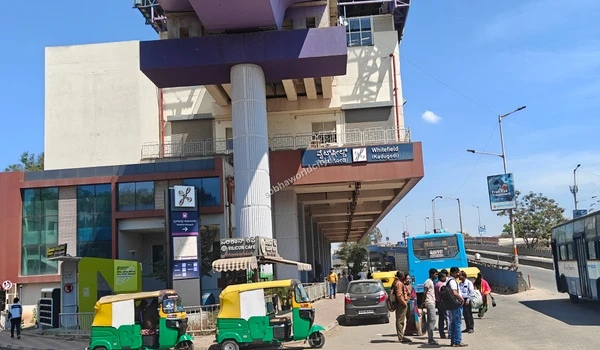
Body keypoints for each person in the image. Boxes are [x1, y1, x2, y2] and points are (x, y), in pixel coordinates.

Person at [447, 267, 467, 347]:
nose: (458, 274)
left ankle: (454, 341)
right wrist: (461, 299)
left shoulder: (448, 280)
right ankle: (458, 341)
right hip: (456, 304)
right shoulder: (452, 281)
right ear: (452, 273)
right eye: (456, 273)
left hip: (452, 304)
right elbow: (454, 292)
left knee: (453, 323)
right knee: (457, 323)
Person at [392, 271, 411, 344]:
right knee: (400, 321)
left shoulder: (397, 282)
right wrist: (404, 303)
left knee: (400, 320)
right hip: (401, 304)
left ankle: (401, 336)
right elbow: (399, 295)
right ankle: (401, 337)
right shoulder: (399, 283)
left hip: (400, 304)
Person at [421, 268, 439, 345]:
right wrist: (422, 302)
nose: (436, 275)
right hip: (429, 302)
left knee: (430, 321)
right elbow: (425, 292)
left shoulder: (431, 282)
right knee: (432, 320)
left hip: (431, 302)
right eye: (435, 274)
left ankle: (430, 338)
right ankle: (431, 339)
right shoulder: (428, 282)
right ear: (432, 274)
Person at [435, 270, 450, 339]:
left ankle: (442, 334)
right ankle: (450, 333)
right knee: (447, 318)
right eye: (444, 277)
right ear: (441, 277)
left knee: (441, 319)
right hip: (442, 303)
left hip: (438, 303)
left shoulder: (436, 284)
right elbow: (443, 294)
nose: (445, 278)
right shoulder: (441, 285)